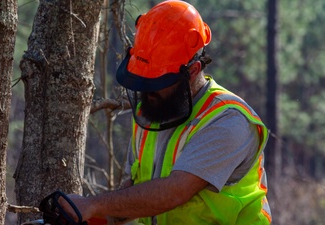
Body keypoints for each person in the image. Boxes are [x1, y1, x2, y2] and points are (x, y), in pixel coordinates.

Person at [61, 1, 272, 224]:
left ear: (192, 71)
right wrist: (90, 216)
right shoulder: (153, 112)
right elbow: (133, 196)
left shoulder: (228, 120)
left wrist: (94, 204)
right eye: (143, 78)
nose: (148, 89)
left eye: (157, 80)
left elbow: (175, 192)